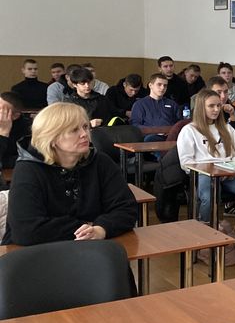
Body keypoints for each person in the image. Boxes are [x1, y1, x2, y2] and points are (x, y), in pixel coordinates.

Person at [3, 103, 136, 245]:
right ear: (51, 137)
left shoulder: (100, 162)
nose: (84, 134)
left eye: (85, 127)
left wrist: (101, 229)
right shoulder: (28, 169)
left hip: (92, 247)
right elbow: (26, 230)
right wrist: (85, 226)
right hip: (35, 252)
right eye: (74, 130)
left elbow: (127, 209)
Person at [177, 89, 235, 231]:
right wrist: (211, 170)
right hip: (204, 174)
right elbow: (186, 162)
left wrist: (230, 168)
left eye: (218, 106)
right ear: (201, 107)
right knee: (209, 197)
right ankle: (205, 229)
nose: (216, 109)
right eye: (211, 106)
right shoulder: (189, 130)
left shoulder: (227, 128)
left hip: (229, 172)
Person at [129, 72, 183, 138]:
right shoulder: (140, 104)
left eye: (165, 85)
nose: (162, 88)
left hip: (170, 136)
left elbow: (179, 123)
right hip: (150, 137)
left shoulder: (172, 104)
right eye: (159, 84)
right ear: (150, 85)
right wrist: (155, 131)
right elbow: (135, 125)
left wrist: (171, 131)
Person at [0, 92, 32, 174]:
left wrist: (3, 133)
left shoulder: (28, 130)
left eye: (2, 111)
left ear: (15, 116)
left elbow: (27, 159)